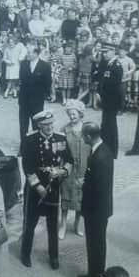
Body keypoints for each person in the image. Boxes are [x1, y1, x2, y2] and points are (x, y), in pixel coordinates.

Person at [21, 110, 73, 270]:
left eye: (51, 124)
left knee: (52, 225)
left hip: (53, 188)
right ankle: (25, 253)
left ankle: (54, 257)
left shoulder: (60, 138)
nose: (50, 127)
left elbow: (69, 161)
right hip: (35, 188)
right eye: (45, 125)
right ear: (39, 125)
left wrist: (62, 171)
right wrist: (38, 187)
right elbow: (27, 166)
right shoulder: (29, 140)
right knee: (30, 223)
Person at [79, 122, 114, 277]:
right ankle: (93, 273)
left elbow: (98, 187)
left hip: (96, 210)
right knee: (94, 243)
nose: (82, 138)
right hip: (99, 208)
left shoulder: (99, 156)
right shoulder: (103, 149)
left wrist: (83, 185)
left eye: (83, 135)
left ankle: (97, 275)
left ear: (88, 136)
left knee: (96, 243)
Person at [60, 99, 89, 239]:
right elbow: (59, 151)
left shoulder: (87, 130)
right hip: (68, 169)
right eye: (70, 114)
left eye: (74, 114)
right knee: (66, 196)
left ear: (80, 114)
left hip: (83, 169)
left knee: (81, 198)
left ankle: (77, 224)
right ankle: (63, 225)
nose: (72, 117)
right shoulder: (64, 130)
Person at [18, 43, 52, 146]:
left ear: (36, 53)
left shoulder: (45, 66)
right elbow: (21, 80)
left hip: (37, 101)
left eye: (29, 52)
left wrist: (45, 95)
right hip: (24, 100)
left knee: (37, 125)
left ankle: (37, 145)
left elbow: (48, 83)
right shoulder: (24, 64)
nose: (27, 54)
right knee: (23, 125)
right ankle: (23, 146)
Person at [98, 42, 123, 158]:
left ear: (113, 51)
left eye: (106, 52)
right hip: (106, 100)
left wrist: (118, 105)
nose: (104, 54)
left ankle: (112, 150)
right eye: (103, 52)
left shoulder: (116, 66)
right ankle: (106, 147)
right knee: (106, 124)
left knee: (111, 125)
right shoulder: (107, 64)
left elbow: (116, 87)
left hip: (112, 100)